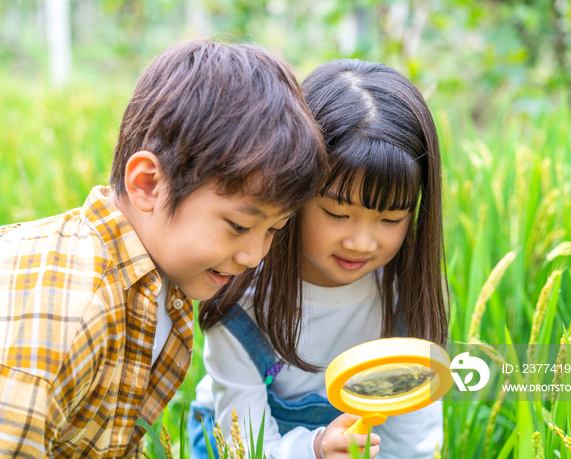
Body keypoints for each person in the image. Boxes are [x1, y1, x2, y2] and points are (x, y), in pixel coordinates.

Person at [0, 39, 327, 458]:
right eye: (239, 226)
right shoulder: (67, 303)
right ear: (148, 184)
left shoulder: (159, 289)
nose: (253, 256)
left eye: (273, 231)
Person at [190, 59, 448, 459]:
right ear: (294, 189)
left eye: (391, 218)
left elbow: (411, 440)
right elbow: (245, 446)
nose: (362, 243)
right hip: (239, 440)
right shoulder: (242, 298)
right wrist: (314, 448)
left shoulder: (405, 301)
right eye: (337, 214)